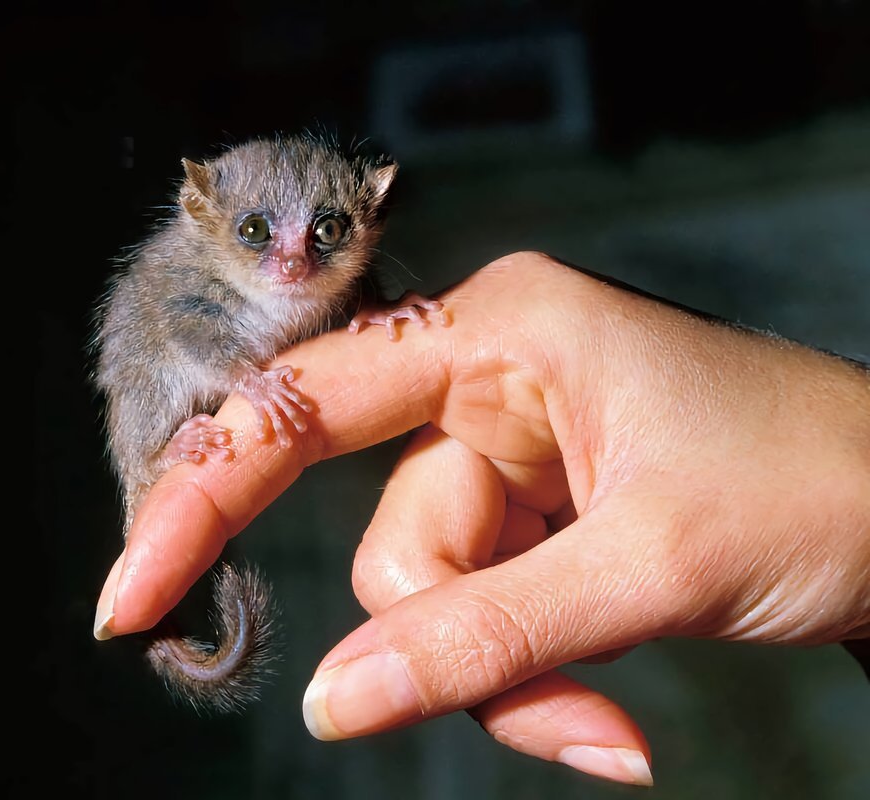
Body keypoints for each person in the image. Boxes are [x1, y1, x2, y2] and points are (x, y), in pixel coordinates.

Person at [94, 251, 870, 786]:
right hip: (173, 399)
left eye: (326, 235)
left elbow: (333, 311)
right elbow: (189, 334)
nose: (295, 263)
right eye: (262, 238)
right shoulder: (189, 285)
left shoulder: (328, 279)